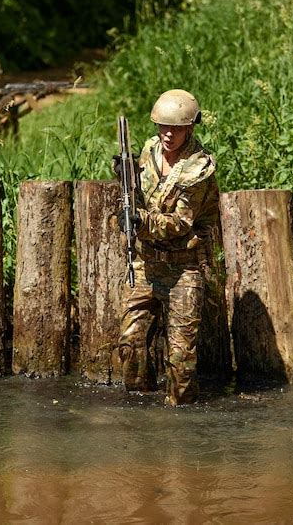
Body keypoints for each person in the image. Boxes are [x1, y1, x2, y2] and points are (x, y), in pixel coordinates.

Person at [117, 89, 219, 406]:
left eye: (175, 128)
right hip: (146, 262)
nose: (168, 135)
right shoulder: (148, 152)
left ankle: (183, 425)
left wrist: (140, 220)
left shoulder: (198, 168)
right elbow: (135, 196)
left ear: (190, 128)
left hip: (185, 265)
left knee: (181, 359)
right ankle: (140, 416)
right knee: (130, 344)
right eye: (163, 127)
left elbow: (179, 224)